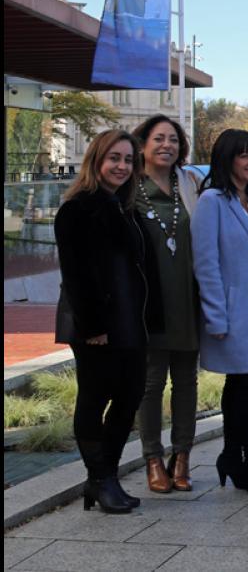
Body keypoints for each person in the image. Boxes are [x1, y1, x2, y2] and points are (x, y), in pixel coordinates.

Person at [54, 129, 163, 513]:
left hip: (129, 319)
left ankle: (104, 477)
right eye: (114, 158)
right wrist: (93, 326)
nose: (121, 166)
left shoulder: (125, 207)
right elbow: (77, 273)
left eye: (128, 160)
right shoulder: (77, 208)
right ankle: (101, 479)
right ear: (96, 161)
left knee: (131, 393)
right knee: (95, 397)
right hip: (95, 322)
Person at [192, 129, 248, 498]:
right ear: (227, 159)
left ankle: (232, 456)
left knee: (247, 384)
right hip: (230, 309)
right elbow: (205, 263)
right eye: (244, 155)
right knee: (244, 385)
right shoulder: (212, 201)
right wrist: (216, 315)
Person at [132, 115, 200, 493]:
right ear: (143, 143)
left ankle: (183, 456)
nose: (166, 146)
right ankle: (153, 458)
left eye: (173, 140)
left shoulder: (188, 184)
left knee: (187, 382)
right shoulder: (130, 188)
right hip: (150, 301)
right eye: (158, 139)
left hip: (187, 297)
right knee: (151, 383)